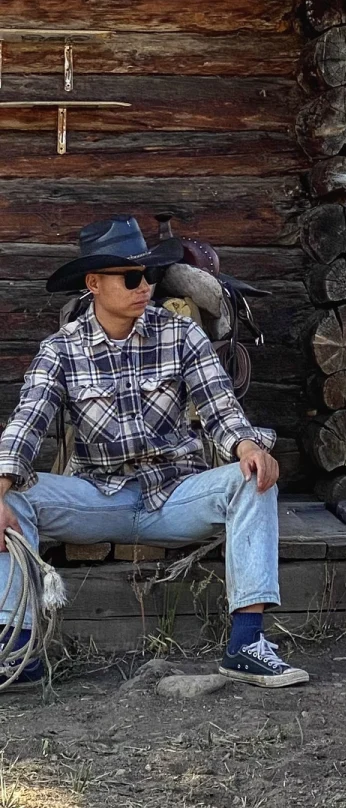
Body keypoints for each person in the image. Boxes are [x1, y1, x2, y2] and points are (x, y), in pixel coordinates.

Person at [0, 217, 308, 690]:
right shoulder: (60, 350)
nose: (144, 286)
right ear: (94, 284)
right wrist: (0, 485)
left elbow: (221, 406)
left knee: (253, 479)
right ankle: (19, 651)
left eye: (147, 275)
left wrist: (247, 446)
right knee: (10, 502)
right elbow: (27, 423)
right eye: (130, 277)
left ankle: (246, 644)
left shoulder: (181, 335)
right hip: (98, 497)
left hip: (175, 495)